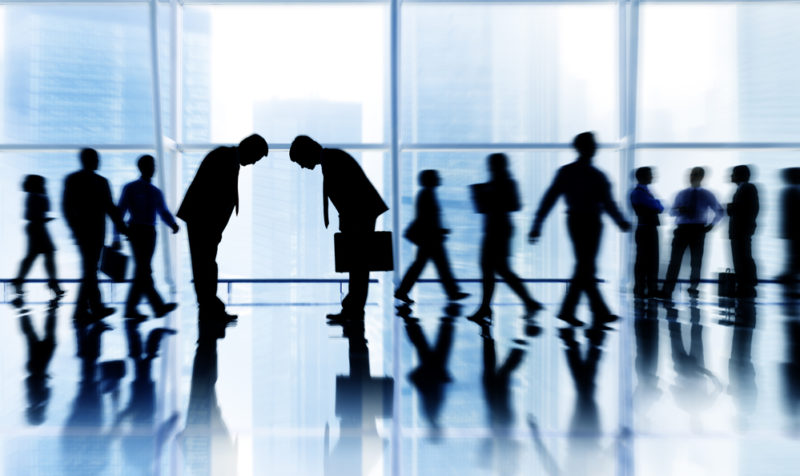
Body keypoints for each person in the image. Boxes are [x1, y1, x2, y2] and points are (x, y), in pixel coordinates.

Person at [529, 132, 630, 327]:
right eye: (592, 145)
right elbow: (607, 202)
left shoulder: (568, 172)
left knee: (585, 266)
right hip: (590, 221)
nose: (595, 148)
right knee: (585, 266)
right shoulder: (596, 175)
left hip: (576, 221)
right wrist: (620, 221)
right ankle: (584, 311)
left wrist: (537, 224)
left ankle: (584, 311)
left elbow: (550, 198)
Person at [289, 135, 388, 321]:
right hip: (361, 213)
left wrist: (348, 220)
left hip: (360, 214)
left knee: (358, 264)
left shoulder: (333, 161)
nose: (302, 166)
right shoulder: (332, 158)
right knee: (358, 264)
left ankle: (353, 309)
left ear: (307, 152)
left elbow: (349, 194)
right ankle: (353, 307)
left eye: (300, 161)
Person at [177, 134, 268, 323]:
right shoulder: (225, 158)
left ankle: (209, 306)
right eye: (255, 157)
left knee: (205, 264)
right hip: (203, 220)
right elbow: (213, 195)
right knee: (205, 265)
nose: (252, 163)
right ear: (250, 149)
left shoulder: (226, 157)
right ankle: (210, 307)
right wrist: (213, 227)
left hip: (204, 221)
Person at [468, 153, 541, 323]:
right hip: (498, 229)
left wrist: (491, 198)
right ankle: (490, 306)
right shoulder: (502, 183)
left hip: (498, 230)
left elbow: (515, 205)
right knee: (496, 269)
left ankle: (489, 307)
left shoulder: (505, 183)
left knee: (495, 269)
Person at [63, 148, 128, 322]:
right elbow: (110, 208)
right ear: (92, 160)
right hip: (97, 232)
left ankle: (83, 310)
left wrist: (74, 228)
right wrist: (123, 229)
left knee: (89, 270)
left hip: (83, 233)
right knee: (90, 270)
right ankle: (92, 309)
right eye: (97, 159)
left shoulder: (72, 180)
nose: (99, 162)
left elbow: (66, 207)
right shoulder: (101, 182)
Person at [116, 155, 180, 320]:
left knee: (142, 270)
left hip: (146, 232)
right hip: (138, 231)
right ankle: (157, 306)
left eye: (154, 165)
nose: (154, 168)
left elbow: (163, 211)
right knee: (144, 269)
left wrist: (172, 224)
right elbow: (120, 212)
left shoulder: (149, 191)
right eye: (152, 165)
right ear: (143, 167)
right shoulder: (134, 189)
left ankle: (132, 308)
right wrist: (117, 236)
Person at [395, 170, 468, 304]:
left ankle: (403, 291)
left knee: (424, 266)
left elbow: (424, 218)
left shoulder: (426, 194)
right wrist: (440, 231)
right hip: (431, 239)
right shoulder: (427, 195)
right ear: (430, 180)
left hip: (429, 238)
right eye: (436, 177)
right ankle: (452, 292)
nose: (439, 178)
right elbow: (427, 219)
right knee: (437, 266)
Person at [660, 166, 724, 300]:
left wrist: (711, 225)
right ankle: (668, 289)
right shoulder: (681, 194)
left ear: (702, 177)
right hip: (683, 229)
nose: (692, 177)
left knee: (696, 260)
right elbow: (671, 212)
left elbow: (719, 211)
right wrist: (679, 210)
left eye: (695, 175)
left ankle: (693, 287)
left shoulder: (707, 194)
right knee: (675, 261)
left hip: (697, 229)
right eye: (691, 174)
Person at [12, 175, 64, 302]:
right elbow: (34, 214)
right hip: (38, 228)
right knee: (44, 255)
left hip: (37, 228)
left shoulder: (32, 196)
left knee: (35, 256)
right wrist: (43, 218)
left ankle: (19, 281)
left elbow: (33, 214)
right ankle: (52, 283)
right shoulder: (34, 197)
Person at [630, 167, 664, 298]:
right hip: (646, 229)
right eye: (650, 174)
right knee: (644, 260)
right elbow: (658, 207)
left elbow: (659, 207)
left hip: (647, 228)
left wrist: (657, 204)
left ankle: (648, 288)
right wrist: (657, 203)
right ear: (643, 176)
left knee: (649, 259)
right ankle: (642, 287)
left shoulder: (644, 192)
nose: (653, 177)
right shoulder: (639, 193)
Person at [727, 165, 759, 298]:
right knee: (741, 257)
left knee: (743, 257)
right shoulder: (744, 189)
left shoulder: (748, 188)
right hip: (739, 230)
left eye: (733, 174)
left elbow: (749, 209)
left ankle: (746, 285)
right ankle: (744, 284)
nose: (731, 176)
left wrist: (731, 207)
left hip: (741, 229)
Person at [778, 167, 800, 294]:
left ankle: (789, 276)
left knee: (793, 255)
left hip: (793, 231)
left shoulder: (789, 192)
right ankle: (789, 276)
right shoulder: (791, 192)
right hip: (793, 231)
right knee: (793, 255)